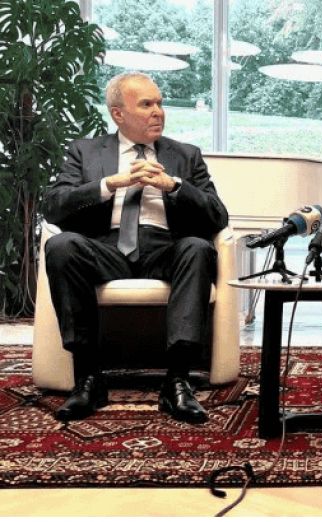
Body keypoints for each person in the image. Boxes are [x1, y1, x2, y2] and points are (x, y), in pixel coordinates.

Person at [42, 72, 229, 424]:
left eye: (159, 103)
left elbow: (218, 215)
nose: (158, 111)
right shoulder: (85, 151)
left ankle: (177, 381)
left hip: (165, 251)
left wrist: (174, 186)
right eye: (146, 104)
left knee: (197, 248)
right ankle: (88, 378)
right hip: (105, 250)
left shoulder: (186, 155)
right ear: (118, 114)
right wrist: (109, 184)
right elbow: (53, 206)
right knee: (61, 245)